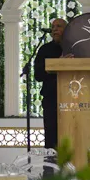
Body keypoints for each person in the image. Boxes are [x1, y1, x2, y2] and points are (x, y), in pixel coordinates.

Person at [34, 18, 69, 149]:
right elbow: (38, 75)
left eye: (59, 26)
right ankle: (50, 163)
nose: (55, 29)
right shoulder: (45, 49)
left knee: (71, 135)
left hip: (73, 98)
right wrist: (58, 64)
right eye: (53, 27)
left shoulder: (75, 48)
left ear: (67, 30)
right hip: (51, 99)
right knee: (51, 139)